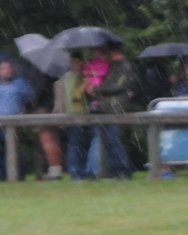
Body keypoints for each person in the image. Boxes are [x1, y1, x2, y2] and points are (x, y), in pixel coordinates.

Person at [90, 43, 138, 180]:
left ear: (115, 52)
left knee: (114, 140)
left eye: (108, 53)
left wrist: (97, 89)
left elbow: (118, 86)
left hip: (116, 109)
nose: (105, 56)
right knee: (108, 141)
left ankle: (123, 171)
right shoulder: (113, 67)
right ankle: (114, 171)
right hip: (107, 109)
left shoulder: (125, 67)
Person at [0, 59, 35, 181]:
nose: (7, 71)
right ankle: (2, 176)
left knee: (15, 149)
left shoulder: (19, 83)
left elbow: (28, 100)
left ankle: (18, 175)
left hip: (12, 122)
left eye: (9, 68)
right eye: (4, 69)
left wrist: (23, 113)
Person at [56, 52, 92, 180]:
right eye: (76, 62)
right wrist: (83, 86)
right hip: (76, 114)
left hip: (77, 115)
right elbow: (75, 97)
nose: (78, 64)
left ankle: (79, 171)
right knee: (76, 144)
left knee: (78, 144)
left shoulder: (68, 77)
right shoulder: (72, 78)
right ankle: (76, 172)